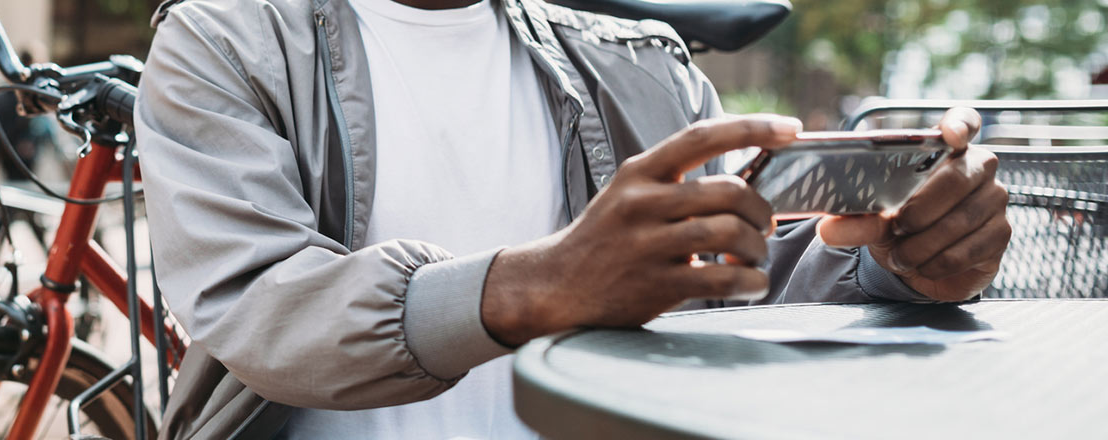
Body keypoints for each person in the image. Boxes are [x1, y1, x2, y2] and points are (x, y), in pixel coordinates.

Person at [134, 0, 1011, 436]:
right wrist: (541, 284)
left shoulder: (637, 62)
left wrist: (892, 267)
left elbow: (733, 289)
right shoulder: (225, 39)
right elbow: (261, 308)